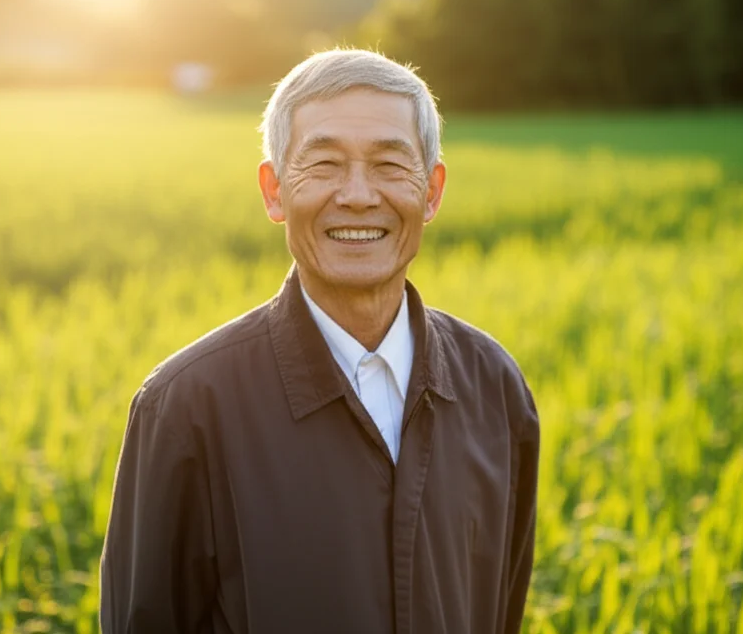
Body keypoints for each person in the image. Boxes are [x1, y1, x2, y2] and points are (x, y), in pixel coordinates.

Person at [99, 49, 540, 634]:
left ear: (431, 191)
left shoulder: (493, 386)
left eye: (389, 164)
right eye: (324, 164)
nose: (358, 195)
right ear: (275, 190)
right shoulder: (186, 408)